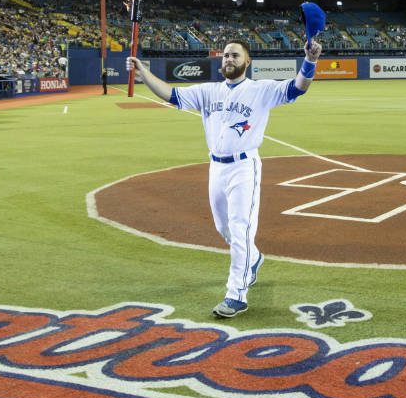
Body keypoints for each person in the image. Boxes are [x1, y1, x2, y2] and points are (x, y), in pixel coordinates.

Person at [126, 36, 323, 318]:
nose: (228, 59)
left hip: (244, 167)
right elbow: (172, 95)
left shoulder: (261, 90)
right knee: (224, 228)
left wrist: (311, 60)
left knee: (241, 228)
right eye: (226, 55)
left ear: (247, 61)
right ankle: (253, 259)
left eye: (235, 55)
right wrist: (143, 72)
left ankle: (236, 294)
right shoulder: (209, 91)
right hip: (216, 168)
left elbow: (297, 87)